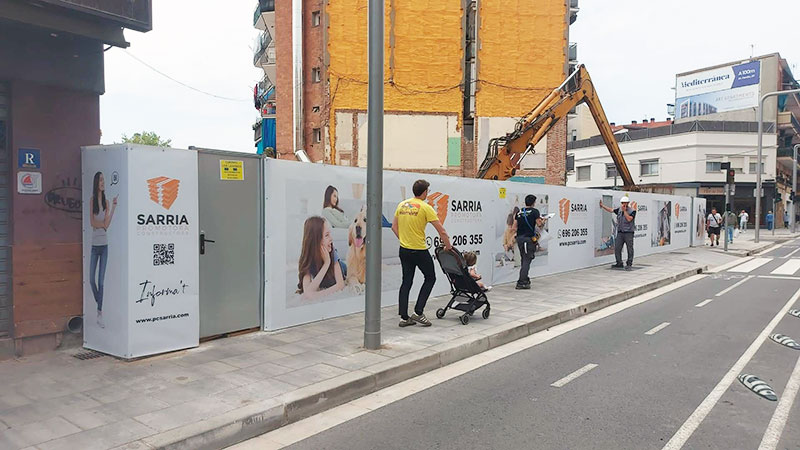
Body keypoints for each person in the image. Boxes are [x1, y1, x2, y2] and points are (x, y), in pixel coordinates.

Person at [392, 179, 451, 327]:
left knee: (406, 282)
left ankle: (404, 317)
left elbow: (394, 227)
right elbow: (441, 230)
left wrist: (404, 239)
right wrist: (448, 246)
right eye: (428, 191)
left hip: (404, 249)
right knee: (430, 278)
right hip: (419, 250)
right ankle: (418, 312)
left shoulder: (402, 205)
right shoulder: (425, 207)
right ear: (424, 192)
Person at [89, 171, 118, 329]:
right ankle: (100, 301)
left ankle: (99, 312)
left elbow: (105, 224)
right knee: (92, 280)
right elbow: (91, 222)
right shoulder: (92, 201)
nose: (103, 182)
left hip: (104, 245)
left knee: (101, 281)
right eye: (100, 180)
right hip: (94, 246)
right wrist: (100, 224)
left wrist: (113, 207)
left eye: (103, 180)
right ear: (96, 182)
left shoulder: (106, 202)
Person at [297, 216, 345, 300]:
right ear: (315, 240)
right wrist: (326, 264)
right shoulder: (308, 259)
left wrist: (318, 295)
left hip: (344, 269)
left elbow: (340, 285)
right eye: (327, 235)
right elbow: (307, 292)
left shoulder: (333, 253)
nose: (331, 239)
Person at [513, 195, 542, 289]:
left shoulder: (519, 212)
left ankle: (524, 277)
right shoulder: (535, 212)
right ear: (533, 203)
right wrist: (543, 221)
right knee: (527, 260)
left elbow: (514, 227)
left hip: (520, 239)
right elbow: (539, 224)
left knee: (523, 258)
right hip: (528, 239)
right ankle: (522, 282)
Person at [600, 196, 636, 269]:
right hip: (620, 232)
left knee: (629, 248)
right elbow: (611, 210)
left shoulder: (632, 211)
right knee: (617, 248)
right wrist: (603, 206)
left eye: (625, 203)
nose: (623, 205)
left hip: (628, 233)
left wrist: (625, 211)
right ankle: (619, 262)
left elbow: (629, 219)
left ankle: (629, 263)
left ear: (628, 203)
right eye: (622, 203)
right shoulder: (619, 210)